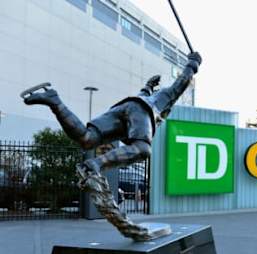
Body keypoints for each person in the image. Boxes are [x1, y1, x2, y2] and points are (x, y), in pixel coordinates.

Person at [21, 52, 202, 176]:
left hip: (123, 108)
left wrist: (148, 85)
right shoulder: (165, 97)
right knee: (143, 149)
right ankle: (97, 164)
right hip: (140, 110)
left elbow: (144, 92)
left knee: (87, 139)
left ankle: (55, 101)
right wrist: (193, 64)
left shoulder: (149, 95)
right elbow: (181, 83)